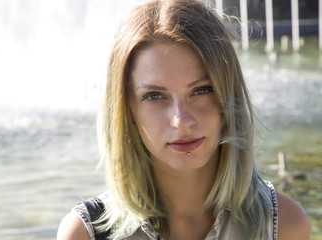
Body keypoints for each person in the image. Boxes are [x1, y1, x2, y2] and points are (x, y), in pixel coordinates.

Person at [57, 0, 311, 239]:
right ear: (128, 110)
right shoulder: (85, 234)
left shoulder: (283, 225)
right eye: (154, 96)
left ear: (228, 95)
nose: (181, 120)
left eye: (202, 90)